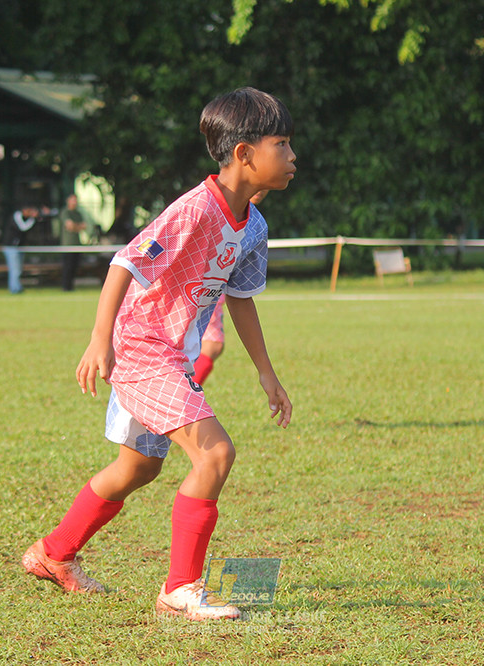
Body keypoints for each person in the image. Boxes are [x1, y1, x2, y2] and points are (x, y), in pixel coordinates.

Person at [21, 87, 295, 621]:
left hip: (170, 354)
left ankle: (53, 553)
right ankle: (180, 587)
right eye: (281, 144)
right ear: (244, 153)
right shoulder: (195, 209)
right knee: (215, 454)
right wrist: (100, 339)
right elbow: (125, 261)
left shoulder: (255, 225)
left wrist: (267, 372)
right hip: (143, 350)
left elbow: (240, 298)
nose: (292, 156)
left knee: (138, 468)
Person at [192, 191, 267, 385]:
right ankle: (188, 388)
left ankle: (187, 389)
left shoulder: (255, 222)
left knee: (210, 345)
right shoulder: (202, 205)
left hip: (214, 288)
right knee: (210, 344)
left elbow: (240, 295)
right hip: (199, 287)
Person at [56, 194, 88, 291]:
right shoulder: (65, 212)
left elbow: (84, 226)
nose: (75, 202)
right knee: (67, 266)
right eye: (73, 200)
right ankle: (65, 286)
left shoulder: (78, 214)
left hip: (77, 244)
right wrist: (77, 227)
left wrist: (75, 226)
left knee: (75, 266)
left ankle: (71, 286)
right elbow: (69, 225)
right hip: (67, 245)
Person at [4, 205, 38, 294]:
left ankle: (17, 287)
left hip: (19, 247)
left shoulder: (25, 218)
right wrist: (32, 219)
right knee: (14, 269)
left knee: (18, 269)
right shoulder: (17, 216)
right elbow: (23, 227)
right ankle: (14, 289)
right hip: (12, 247)